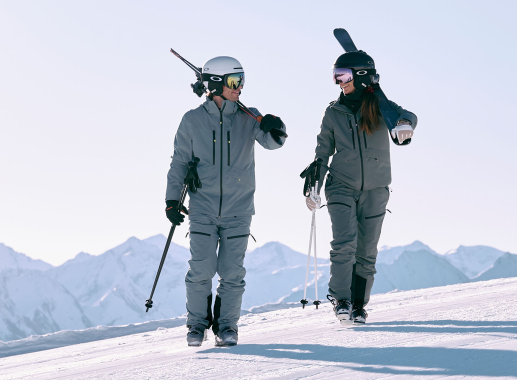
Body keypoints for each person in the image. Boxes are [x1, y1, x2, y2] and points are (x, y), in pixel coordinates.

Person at [166, 56, 286, 347]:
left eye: (242, 80)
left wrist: (276, 126)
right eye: (235, 81)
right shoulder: (192, 120)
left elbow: (274, 143)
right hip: (203, 208)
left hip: (239, 209)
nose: (240, 87)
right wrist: (171, 200)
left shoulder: (250, 117)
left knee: (233, 273)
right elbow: (179, 162)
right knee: (201, 270)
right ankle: (196, 325)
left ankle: (227, 327)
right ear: (216, 84)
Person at [301, 48, 417, 324]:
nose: (338, 81)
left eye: (342, 75)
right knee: (344, 243)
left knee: (367, 250)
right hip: (340, 185)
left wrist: (404, 126)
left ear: (361, 76)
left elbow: (408, 117)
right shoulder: (333, 112)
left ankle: (358, 305)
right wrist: (313, 186)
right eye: (335, 76)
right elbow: (322, 151)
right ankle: (341, 300)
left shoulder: (381, 108)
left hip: (376, 188)